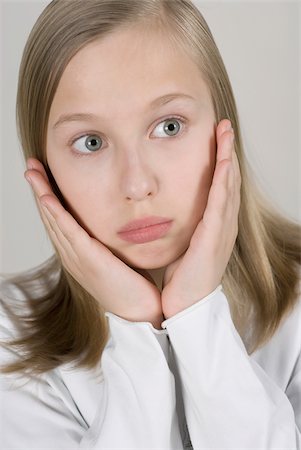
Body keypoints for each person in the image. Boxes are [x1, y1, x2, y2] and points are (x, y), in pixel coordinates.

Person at [0, 0, 300, 448]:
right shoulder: (10, 335)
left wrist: (198, 317)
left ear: (223, 129)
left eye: (169, 127)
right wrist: (134, 332)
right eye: (91, 141)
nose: (137, 185)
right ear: (43, 169)